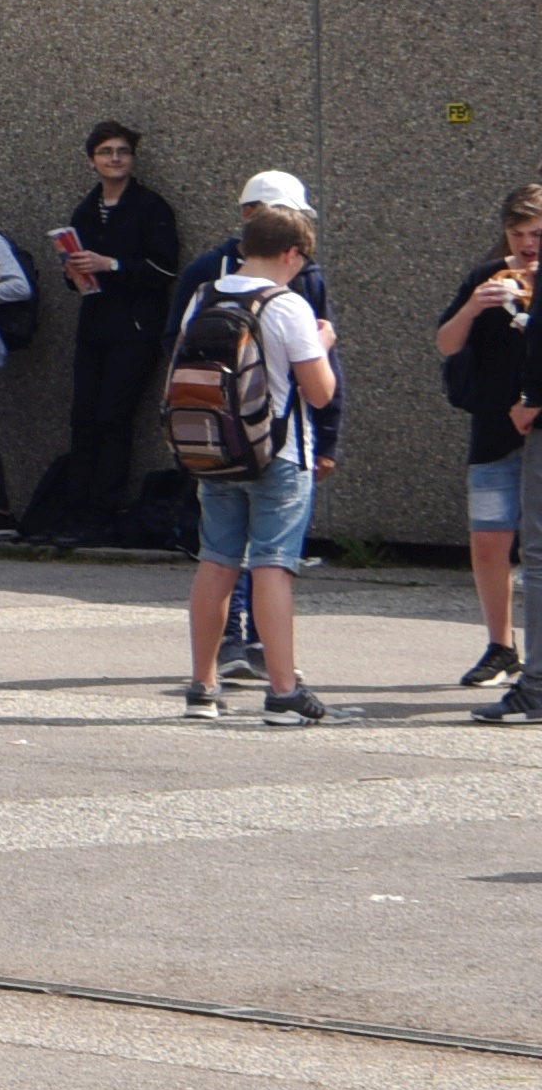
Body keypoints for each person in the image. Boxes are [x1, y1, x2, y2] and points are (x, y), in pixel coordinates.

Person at [173, 195, 341, 726]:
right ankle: (284, 693)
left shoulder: (203, 295)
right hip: (279, 455)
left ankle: (202, 686)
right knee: (272, 563)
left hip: (215, 451)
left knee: (216, 560)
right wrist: (324, 342)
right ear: (292, 253)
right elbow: (318, 393)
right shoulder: (286, 304)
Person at [47, 123, 185, 534]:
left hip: (135, 329)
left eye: (123, 151)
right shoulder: (85, 211)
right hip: (94, 326)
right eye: (106, 152)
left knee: (114, 418)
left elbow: (165, 269)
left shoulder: (150, 207)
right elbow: (73, 278)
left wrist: (114, 265)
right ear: (92, 160)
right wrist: (73, 273)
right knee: (83, 417)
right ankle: (77, 508)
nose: (115, 158)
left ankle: (104, 510)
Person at [443, 191, 541, 705]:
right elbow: (445, 343)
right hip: (493, 429)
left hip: (536, 425)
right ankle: (500, 645)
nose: (527, 244)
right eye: (518, 232)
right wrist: (473, 306)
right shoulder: (486, 279)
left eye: (537, 233)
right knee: (488, 539)